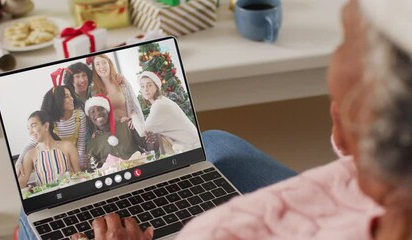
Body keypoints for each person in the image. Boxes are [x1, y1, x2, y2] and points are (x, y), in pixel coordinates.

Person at [20, 0, 412, 238]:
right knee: (217, 142)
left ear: (364, 114)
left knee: (33, 211)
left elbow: (139, 132)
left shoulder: (218, 233)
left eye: (344, 36)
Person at [16, 85, 89, 175]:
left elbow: (81, 144)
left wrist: (78, 162)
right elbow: (31, 143)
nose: (72, 99)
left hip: (75, 157)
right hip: (58, 160)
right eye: (66, 96)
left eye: (71, 95)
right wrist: (19, 161)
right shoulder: (50, 120)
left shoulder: (80, 116)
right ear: (57, 100)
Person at [84, 94, 155, 167]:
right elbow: (95, 169)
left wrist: (152, 142)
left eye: (101, 109)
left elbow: (148, 147)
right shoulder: (93, 144)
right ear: (89, 117)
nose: (98, 113)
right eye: (92, 111)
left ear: (107, 111)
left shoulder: (127, 125)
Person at [138, 71, 200, 154]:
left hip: (192, 147)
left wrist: (133, 115)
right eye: (142, 86)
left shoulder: (159, 105)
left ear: (156, 87)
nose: (145, 89)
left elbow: (143, 131)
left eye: (149, 85)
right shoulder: (162, 101)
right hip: (190, 144)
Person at [18, 111, 80, 189]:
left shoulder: (67, 146)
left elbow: (79, 176)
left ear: (46, 126)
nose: (30, 132)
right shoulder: (30, 155)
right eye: (28, 128)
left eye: (33, 126)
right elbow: (20, 185)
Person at [90, 54, 146, 137]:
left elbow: (135, 105)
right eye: (97, 64)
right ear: (94, 69)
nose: (102, 66)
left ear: (109, 63)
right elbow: (97, 117)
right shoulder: (94, 91)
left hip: (131, 129)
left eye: (104, 62)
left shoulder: (121, 81)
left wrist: (134, 120)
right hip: (113, 135)